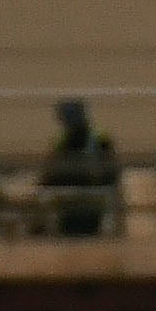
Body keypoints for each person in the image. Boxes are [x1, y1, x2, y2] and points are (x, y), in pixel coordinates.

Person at [42, 99, 121, 237]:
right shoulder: (61, 141)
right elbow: (51, 169)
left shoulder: (99, 139)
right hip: (67, 200)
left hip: (93, 197)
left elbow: (111, 168)